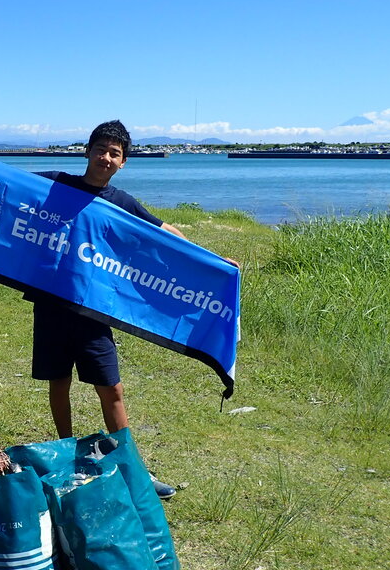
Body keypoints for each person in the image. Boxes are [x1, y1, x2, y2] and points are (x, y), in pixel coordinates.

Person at [26, 120, 236, 499]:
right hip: (52, 303)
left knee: (112, 389)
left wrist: (213, 260)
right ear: (87, 151)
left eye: (115, 153)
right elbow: (0, 180)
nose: (106, 158)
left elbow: (164, 232)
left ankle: (133, 470)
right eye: (101, 149)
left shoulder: (121, 202)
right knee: (59, 383)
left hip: (94, 312)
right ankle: (65, 456)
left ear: (123, 162)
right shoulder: (57, 184)